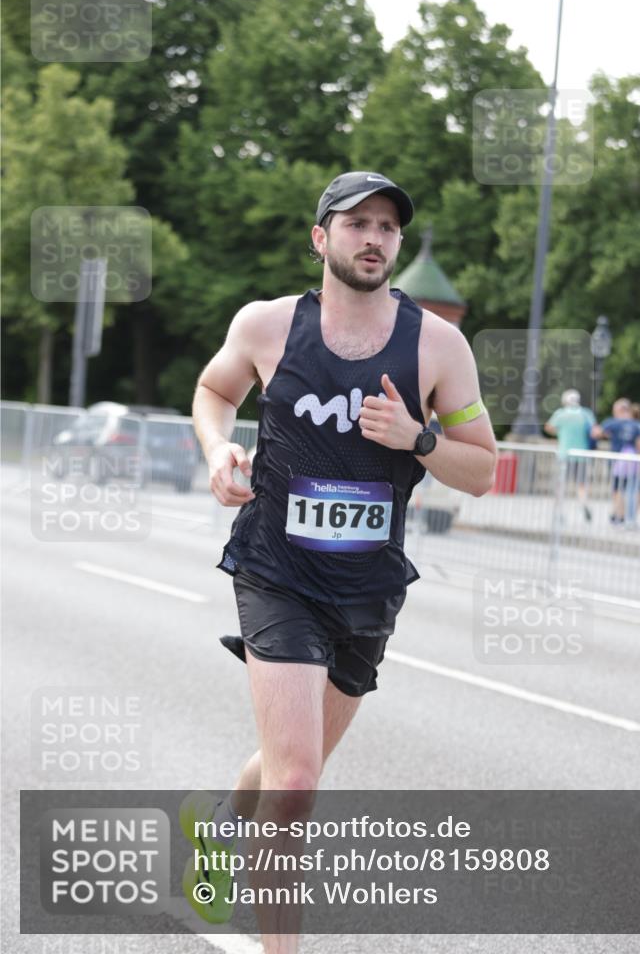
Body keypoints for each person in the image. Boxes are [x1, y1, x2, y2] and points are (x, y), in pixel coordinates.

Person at [185, 171, 497, 951]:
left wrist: (418, 439)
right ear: (321, 238)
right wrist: (217, 444)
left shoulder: (435, 343)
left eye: (387, 227)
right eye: (356, 223)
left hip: (367, 585)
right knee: (296, 783)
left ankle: (218, 825)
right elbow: (212, 389)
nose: (374, 238)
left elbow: (482, 471)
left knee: (294, 760)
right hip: (275, 569)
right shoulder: (265, 324)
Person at [591, 398, 640, 527]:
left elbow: (596, 434)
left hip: (618, 463)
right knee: (631, 491)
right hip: (633, 463)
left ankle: (619, 515)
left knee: (618, 489)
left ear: (619, 410)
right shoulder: (636, 424)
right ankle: (627, 517)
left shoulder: (613, 423)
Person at [544, 389, 596, 522]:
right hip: (581, 454)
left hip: (564, 453)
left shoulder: (561, 414)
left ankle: (559, 512)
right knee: (581, 484)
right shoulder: (585, 413)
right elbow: (594, 431)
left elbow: (548, 427)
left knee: (561, 485)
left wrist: (561, 433)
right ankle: (583, 503)